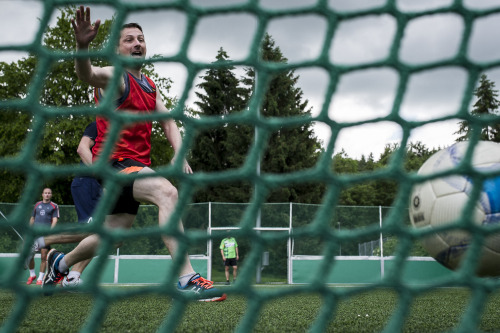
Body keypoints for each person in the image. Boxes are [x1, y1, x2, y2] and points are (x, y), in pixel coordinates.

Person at [42, 6, 226, 302]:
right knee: (167, 192)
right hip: (115, 165)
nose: (137, 43)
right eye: (128, 39)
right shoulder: (116, 77)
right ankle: (187, 278)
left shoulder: (150, 86)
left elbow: (169, 122)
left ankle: (59, 263)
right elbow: (88, 74)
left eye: (140, 38)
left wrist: (180, 155)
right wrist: (82, 46)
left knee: (113, 234)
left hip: (132, 167)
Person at [24, 122, 102, 288]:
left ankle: (72, 276)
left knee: (102, 236)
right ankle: (40, 242)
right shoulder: (98, 124)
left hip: (99, 187)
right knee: (93, 231)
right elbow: (82, 149)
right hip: (87, 182)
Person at [26, 188, 59, 285]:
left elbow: (55, 220)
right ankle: (32, 275)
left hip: (45, 235)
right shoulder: (37, 205)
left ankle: (40, 278)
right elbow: (32, 218)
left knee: (43, 256)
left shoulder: (54, 206)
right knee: (30, 256)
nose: (47, 194)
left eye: (49, 193)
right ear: (42, 194)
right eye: (45, 193)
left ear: (51, 195)